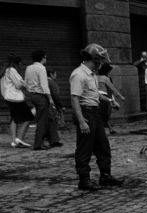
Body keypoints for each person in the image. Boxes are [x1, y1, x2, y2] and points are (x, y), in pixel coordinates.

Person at [70, 43, 123, 191]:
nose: (101, 63)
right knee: (84, 147)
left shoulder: (92, 74)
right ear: (94, 59)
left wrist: (110, 101)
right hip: (85, 113)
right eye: (99, 60)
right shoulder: (79, 74)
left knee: (103, 146)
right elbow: (74, 99)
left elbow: (95, 94)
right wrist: (81, 121)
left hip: (95, 112)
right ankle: (84, 179)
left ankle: (105, 175)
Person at [23, 49, 58, 150]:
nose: (46, 59)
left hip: (32, 96)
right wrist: (50, 99)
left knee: (41, 119)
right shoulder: (42, 68)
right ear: (42, 58)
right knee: (42, 121)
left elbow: (25, 83)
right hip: (41, 96)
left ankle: (46, 141)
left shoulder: (28, 68)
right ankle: (38, 144)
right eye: (45, 57)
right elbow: (44, 85)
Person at [1, 55, 33, 148]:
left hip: (8, 98)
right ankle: (19, 138)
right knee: (28, 117)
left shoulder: (4, 71)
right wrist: (26, 85)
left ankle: (14, 140)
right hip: (15, 98)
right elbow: (19, 84)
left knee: (14, 118)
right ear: (18, 63)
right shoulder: (12, 70)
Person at [97, 63, 125, 135]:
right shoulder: (106, 78)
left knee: (99, 115)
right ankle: (102, 131)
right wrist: (120, 96)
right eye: (109, 71)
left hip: (96, 97)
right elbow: (112, 88)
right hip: (104, 97)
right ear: (107, 71)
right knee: (105, 115)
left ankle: (108, 129)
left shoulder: (96, 77)